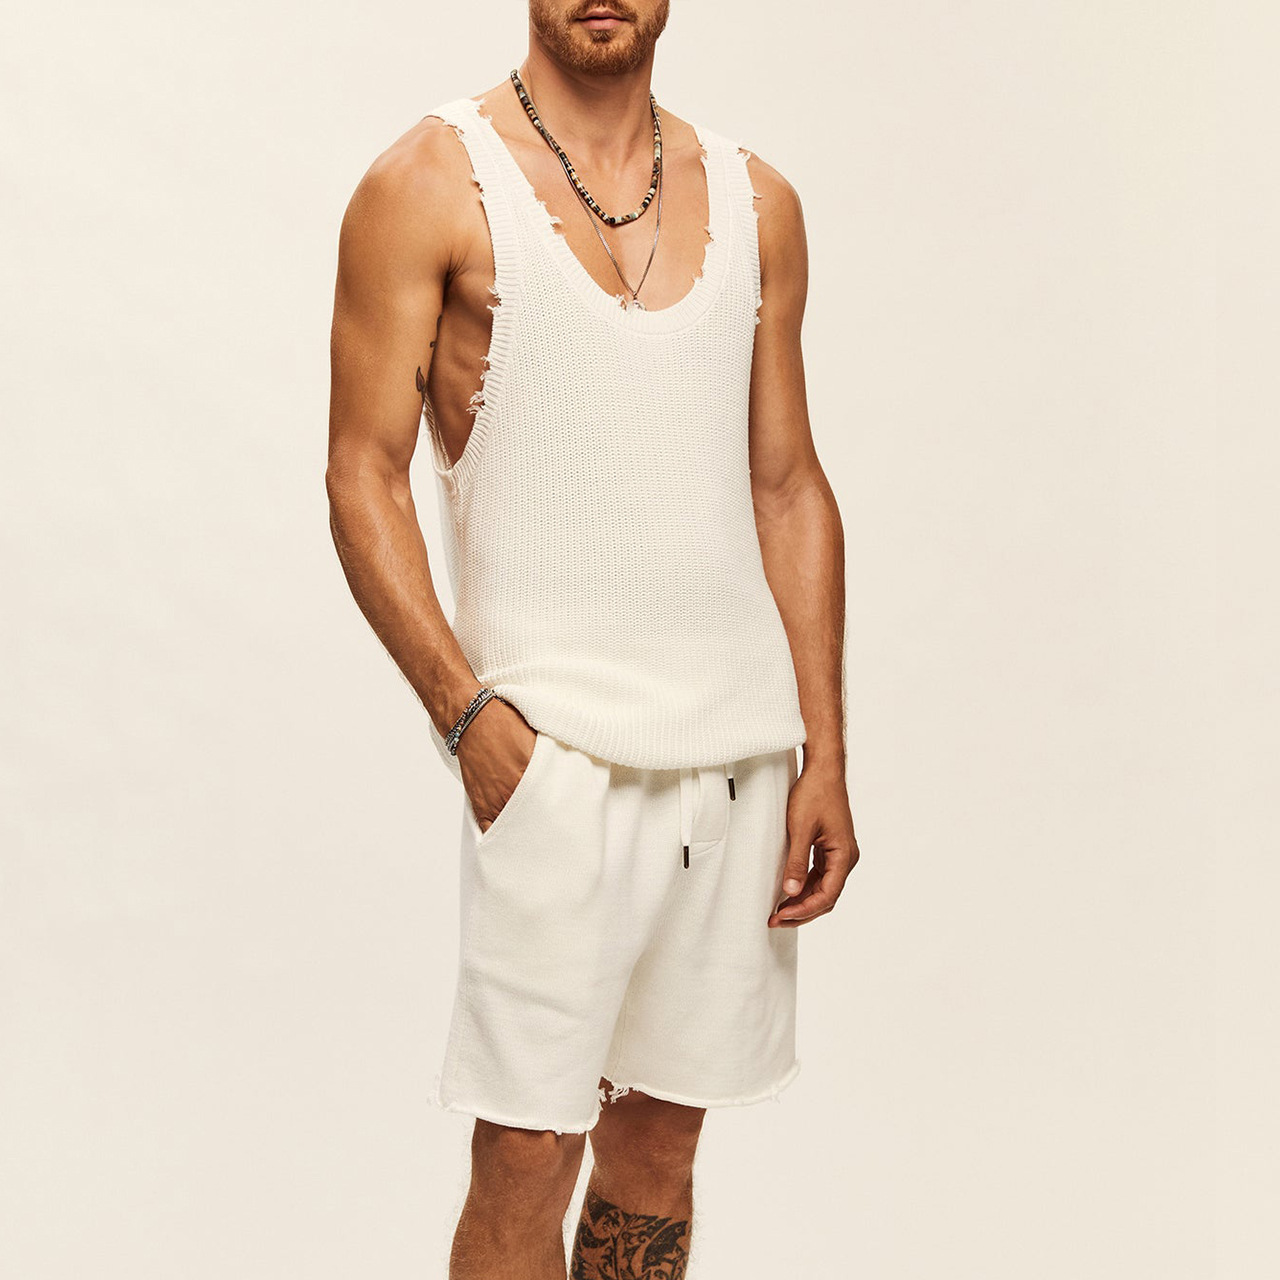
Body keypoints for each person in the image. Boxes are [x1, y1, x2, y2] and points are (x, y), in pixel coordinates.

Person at [326, 2, 860, 1275]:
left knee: (659, 1148)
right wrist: (469, 720)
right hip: (548, 756)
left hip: (736, 760)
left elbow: (785, 482)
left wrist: (824, 752)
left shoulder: (758, 203)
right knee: (526, 1151)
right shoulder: (428, 183)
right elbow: (360, 472)